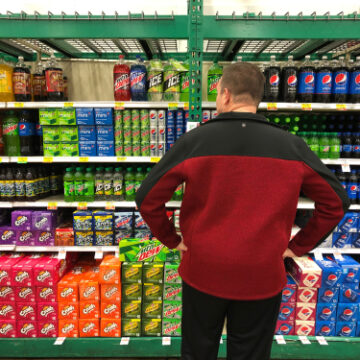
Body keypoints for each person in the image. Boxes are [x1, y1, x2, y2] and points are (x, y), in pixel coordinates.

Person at [135, 62, 350, 360]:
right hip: (262, 273)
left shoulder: (196, 141)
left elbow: (146, 197)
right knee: (249, 352)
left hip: (203, 269)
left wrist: (172, 239)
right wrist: (297, 246)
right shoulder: (291, 146)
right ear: (258, 99)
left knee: (198, 350)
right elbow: (336, 202)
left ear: (224, 95)